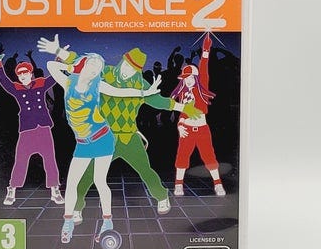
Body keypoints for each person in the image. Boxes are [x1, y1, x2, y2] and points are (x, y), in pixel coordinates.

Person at [37, 36, 202, 226]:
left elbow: (159, 101)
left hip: (129, 138)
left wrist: (184, 108)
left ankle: (162, 196)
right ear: (122, 60)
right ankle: (77, 207)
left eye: (133, 69)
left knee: (145, 170)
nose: (127, 71)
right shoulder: (104, 73)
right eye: (126, 65)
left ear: (137, 71)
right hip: (104, 137)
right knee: (88, 174)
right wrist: (59, 52)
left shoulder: (141, 84)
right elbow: (84, 63)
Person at [45, 48, 161, 243]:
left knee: (99, 181)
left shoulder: (97, 85)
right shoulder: (68, 82)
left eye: (98, 67)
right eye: (92, 64)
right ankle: (68, 221)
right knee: (71, 184)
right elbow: (51, 65)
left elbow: (120, 92)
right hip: (82, 143)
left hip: (102, 138)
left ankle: (107, 222)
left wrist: (146, 92)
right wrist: (72, 66)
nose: (94, 69)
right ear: (84, 63)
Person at [0, 49, 64, 205]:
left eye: (25, 73)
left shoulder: (40, 84)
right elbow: (4, 81)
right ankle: (12, 190)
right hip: (27, 130)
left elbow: (54, 78)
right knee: (21, 160)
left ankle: (55, 190)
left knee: (50, 159)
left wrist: (58, 61)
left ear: (31, 74)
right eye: (20, 74)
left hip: (43, 129)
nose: (23, 76)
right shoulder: (17, 89)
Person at [170, 34, 226, 197]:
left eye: (190, 77)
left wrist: (206, 51)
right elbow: (182, 113)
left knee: (209, 157)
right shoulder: (183, 93)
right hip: (186, 129)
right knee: (182, 157)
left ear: (196, 77)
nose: (187, 80)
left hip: (202, 129)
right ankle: (178, 185)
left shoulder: (201, 88)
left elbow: (204, 69)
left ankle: (218, 184)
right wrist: (180, 126)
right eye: (184, 78)